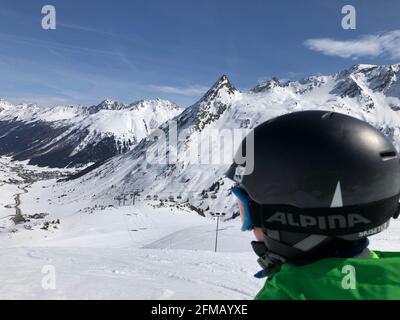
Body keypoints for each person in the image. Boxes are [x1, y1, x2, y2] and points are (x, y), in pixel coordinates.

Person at [226, 110, 400, 300]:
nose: (249, 227)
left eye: (247, 212)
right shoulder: (391, 278)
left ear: (296, 220)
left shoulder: (287, 294)